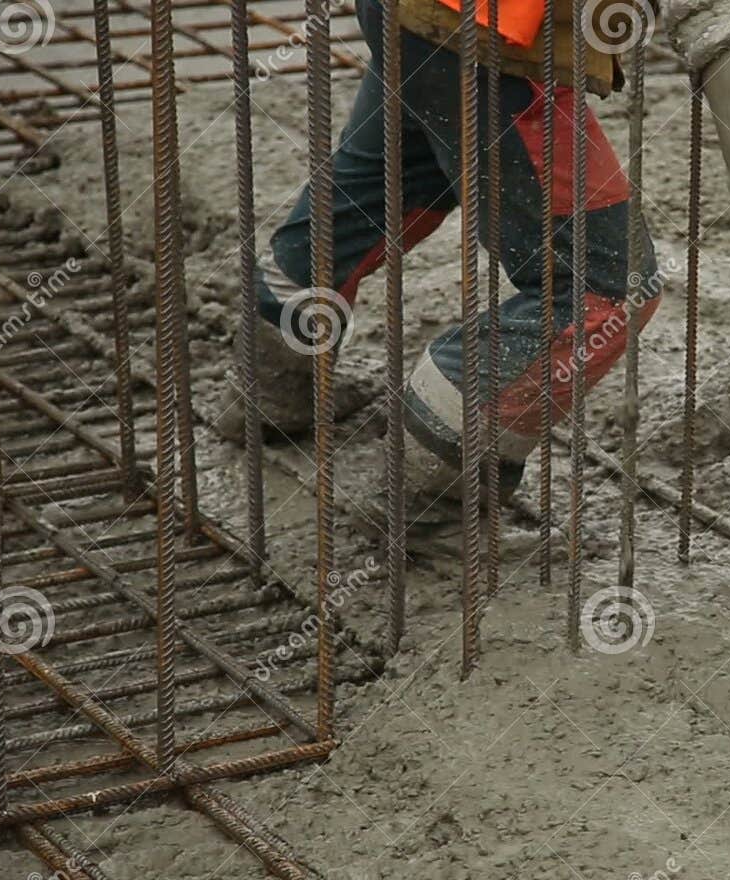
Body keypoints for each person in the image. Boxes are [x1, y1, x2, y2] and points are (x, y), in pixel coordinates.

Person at [216, 0, 659, 507]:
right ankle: (432, 485)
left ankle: (271, 388)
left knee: (383, 187)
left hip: (415, 14)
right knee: (609, 285)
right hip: (494, 36)